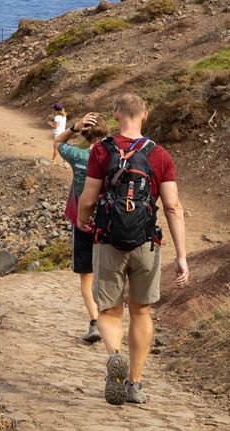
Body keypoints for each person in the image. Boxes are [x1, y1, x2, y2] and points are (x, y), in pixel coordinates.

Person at [76, 93, 189, 406]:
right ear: (145, 115)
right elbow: (173, 206)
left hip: (109, 240)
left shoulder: (102, 150)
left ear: (115, 115)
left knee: (110, 310)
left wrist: (84, 222)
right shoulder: (160, 155)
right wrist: (181, 256)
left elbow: (87, 199)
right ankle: (135, 383)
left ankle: (115, 355)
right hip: (145, 243)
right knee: (141, 311)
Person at [56, 110, 105, 345]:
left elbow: (57, 142)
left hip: (83, 222)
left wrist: (74, 126)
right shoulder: (116, 155)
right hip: (111, 224)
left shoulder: (78, 156)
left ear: (86, 135)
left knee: (87, 276)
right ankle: (112, 318)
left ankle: (95, 321)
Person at [52, 104, 70, 168]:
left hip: (58, 134)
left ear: (56, 110)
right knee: (63, 148)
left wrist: (49, 124)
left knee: (56, 148)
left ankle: (53, 161)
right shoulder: (64, 116)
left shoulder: (56, 117)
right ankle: (66, 163)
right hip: (63, 133)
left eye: (53, 109)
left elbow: (56, 127)